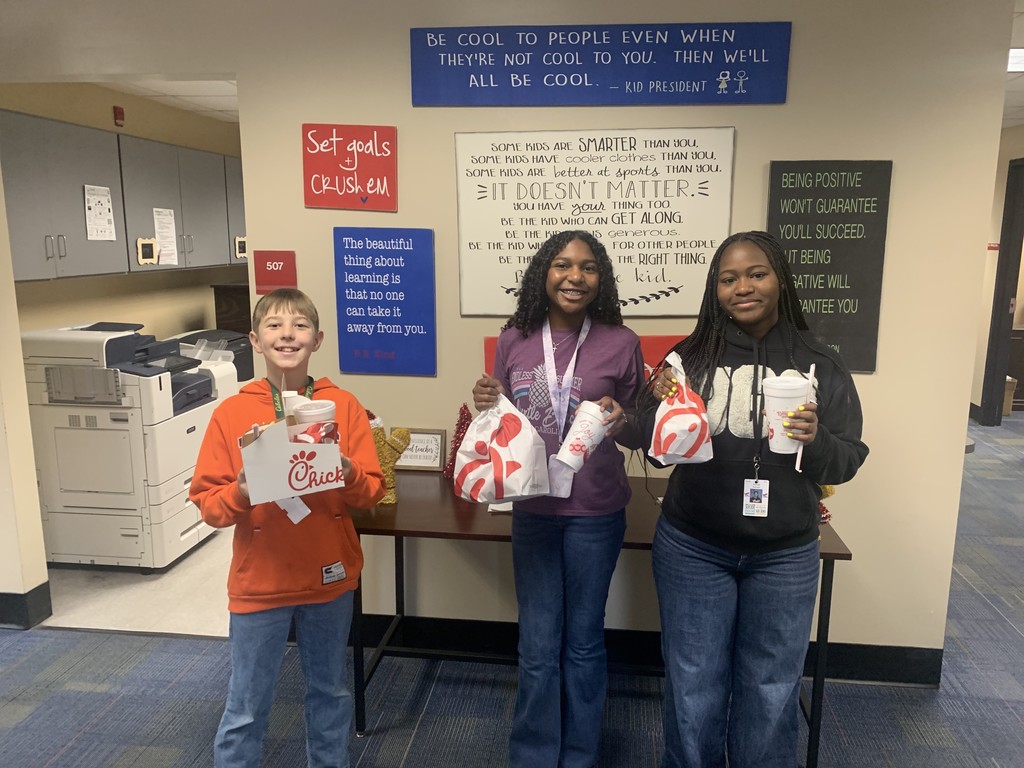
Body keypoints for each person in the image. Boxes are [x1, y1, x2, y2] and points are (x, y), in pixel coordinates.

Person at [635, 231, 868, 768]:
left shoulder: (820, 362)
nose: (742, 287)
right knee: (693, 685)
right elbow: (654, 451)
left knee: (770, 689)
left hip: (785, 554)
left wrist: (818, 440)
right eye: (728, 278)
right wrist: (651, 416)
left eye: (756, 274)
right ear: (714, 290)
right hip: (693, 546)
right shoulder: (687, 358)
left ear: (780, 279)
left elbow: (849, 459)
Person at [190, 288, 385, 768]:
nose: (287, 334)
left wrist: (347, 470)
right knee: (246, 705)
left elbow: (371, 493)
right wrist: (241, 492)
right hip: (261, 582)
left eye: (300, 325)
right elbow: (209, 506)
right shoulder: (232, 413)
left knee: (330, 694)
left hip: (329, 576)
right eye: (274, 325)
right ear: (255, 340)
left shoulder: (343, 406)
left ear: (317, 340)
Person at [472, 230, 645, 768]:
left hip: (596, 510)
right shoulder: (514, 338)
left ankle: (579, 756)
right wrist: (484, 398)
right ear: (543, 273)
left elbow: (639, 426)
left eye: (588, 267)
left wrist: (623, 418)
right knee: (538, 642)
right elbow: (500, 414)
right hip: (534, 508)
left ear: (601, 278)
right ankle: (534, 756)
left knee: (584, 641)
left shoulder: (622, 341)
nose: (575, 276)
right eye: (563, 265)